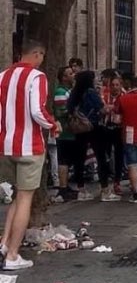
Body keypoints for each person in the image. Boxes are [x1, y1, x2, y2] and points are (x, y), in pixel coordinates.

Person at [0, 40, 57, 271]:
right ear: (37, 54)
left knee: (15, 196)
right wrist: (53, 124)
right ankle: (13, 255)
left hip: (6, 145)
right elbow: (37, 110)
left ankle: (4, 243)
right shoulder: (37, 77)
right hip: (29, 146)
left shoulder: (2, 76)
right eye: (41, 56)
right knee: (25, 198)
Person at [67, 70, 116, 201]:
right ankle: (105, 189)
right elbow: (102, 109)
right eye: (94, 78)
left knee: (80, 159)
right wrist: (110, 107)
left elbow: (70, 109)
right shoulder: (91, 92)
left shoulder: (74, 93)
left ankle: (81, 189)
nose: (97, 80)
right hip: (94, 127)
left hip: (79, 129)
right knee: (101, 158)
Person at [54, 64, 85, 201]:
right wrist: (76, 111)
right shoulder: (61, 92)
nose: (74, 75)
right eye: (70, 73)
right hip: (65, 132)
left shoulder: (69, 90)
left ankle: (65, 186)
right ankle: (62, 188)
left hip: (70, 132)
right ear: (64, 77)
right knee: (64, 161)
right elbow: (62, 111)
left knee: (68, 161)